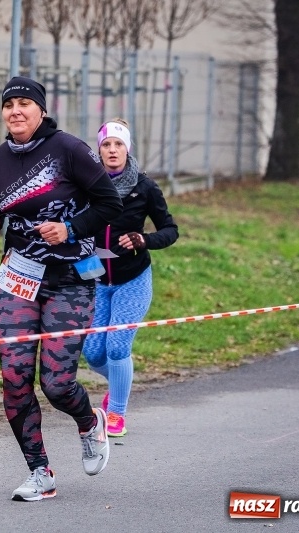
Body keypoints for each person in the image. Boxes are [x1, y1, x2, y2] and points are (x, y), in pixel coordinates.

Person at [0, 76, 123, 502]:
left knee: (57, 384)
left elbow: (109, 204)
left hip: (72, 278)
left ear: (41, 110)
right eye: (9, 105)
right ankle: (40, 471)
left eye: (25, 103)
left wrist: (70, 228)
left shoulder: (69, 150)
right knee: (14, 377)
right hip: (18, 278)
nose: (15, 111)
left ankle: (88, 422)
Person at [82, 118, 179, 437]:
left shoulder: (145, 186)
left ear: (128, 149)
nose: (112, 150)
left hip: (132, 279)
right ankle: (119, 386)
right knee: (93, 351)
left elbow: (170, 230)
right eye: (106, 145)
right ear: (99, 150)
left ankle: (116, 412)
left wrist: (143, 239)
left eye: (118, 144)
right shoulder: (87, 184)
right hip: (96, 277)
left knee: (118, 346)